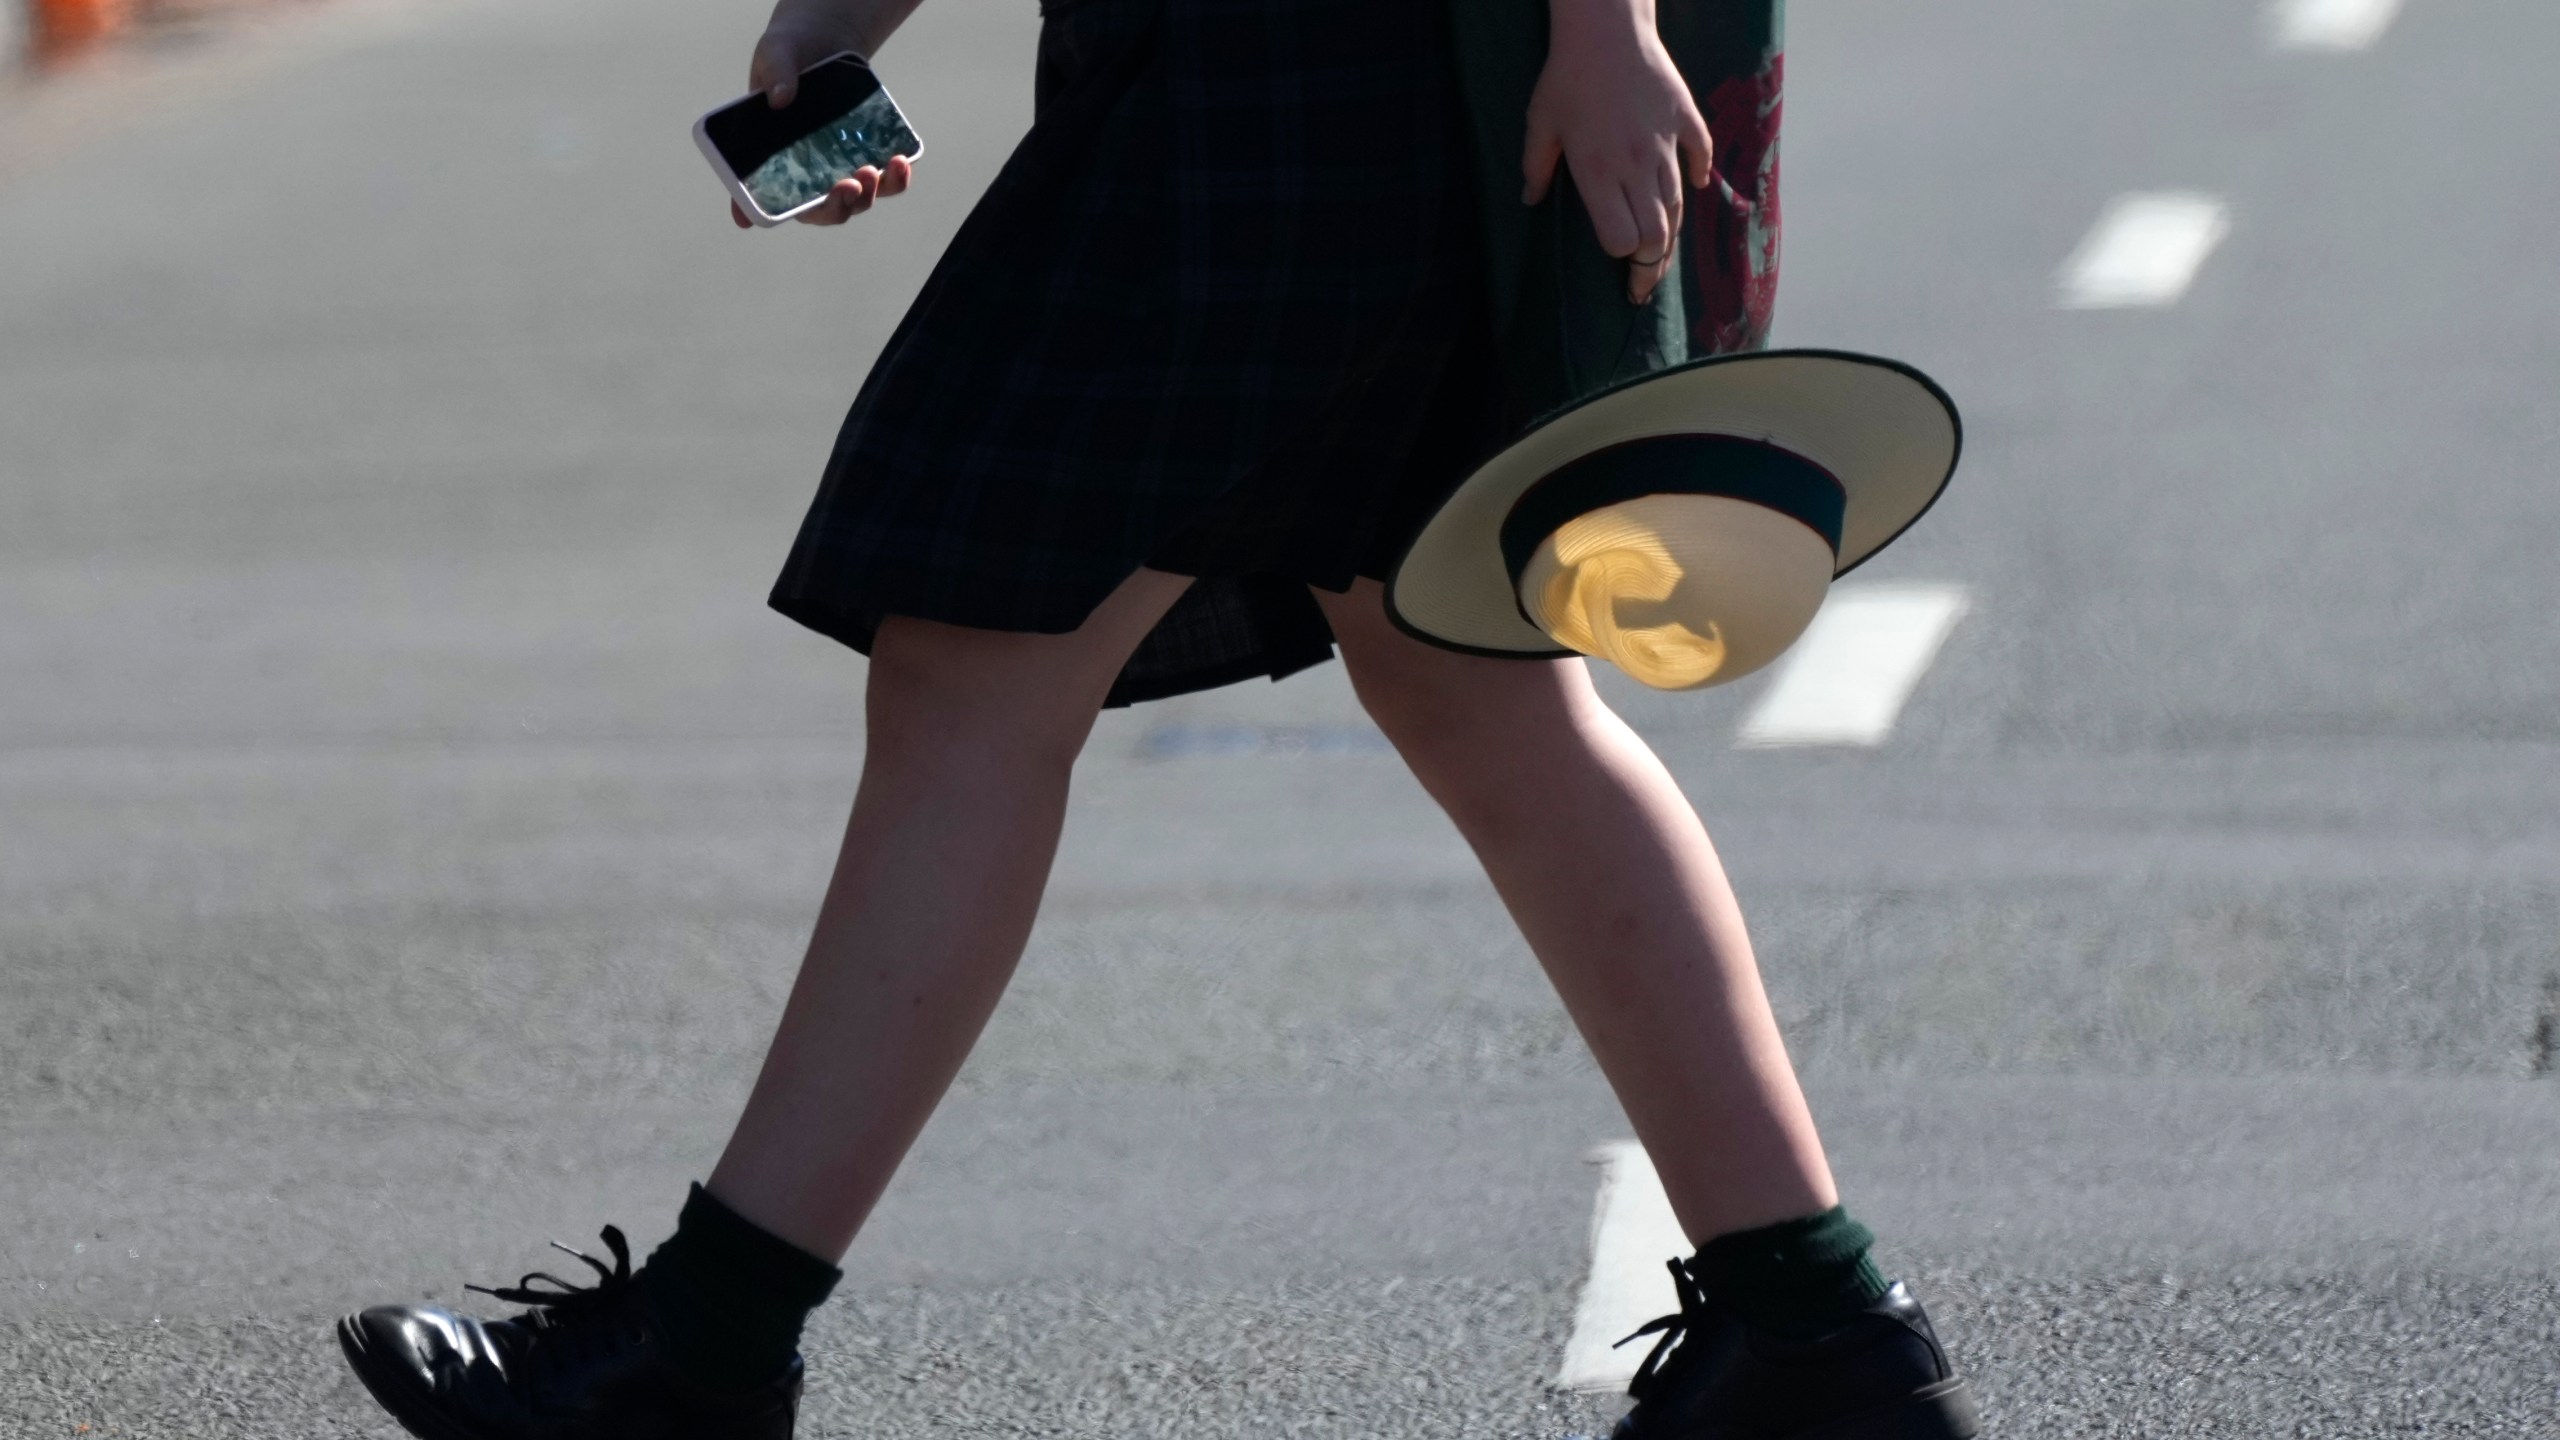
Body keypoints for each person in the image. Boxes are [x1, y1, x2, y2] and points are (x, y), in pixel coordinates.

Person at [332, 0, 1979, 1436]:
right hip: (1264, 70)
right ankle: (1816, 1331)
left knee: (985, 661)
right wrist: (835, 28)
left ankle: (696, 1360)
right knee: (1464, 677)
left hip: (1315, 69)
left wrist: (1601, 25)